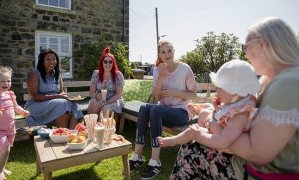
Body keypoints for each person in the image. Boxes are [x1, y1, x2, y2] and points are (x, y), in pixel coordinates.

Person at [170, 17, 299, 180]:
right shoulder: (272, 79)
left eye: (247, 45)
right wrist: (220, 109)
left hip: (257, 174)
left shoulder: (288, 83)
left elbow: (257, 153)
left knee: (190, 150)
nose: (245, 53)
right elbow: (246, 115)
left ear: (264, 44)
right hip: (252, 167)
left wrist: (212, 123)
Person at [129, 41, 197, 180]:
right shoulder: (156, 70)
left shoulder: (184, 69)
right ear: (159, 54)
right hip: (163, 109)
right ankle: (137, 155)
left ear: (174, 51)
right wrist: (160, 76)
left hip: (182, 112)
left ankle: (155, 162)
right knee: (144, 107)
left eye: (169, 51)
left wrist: (175, 92)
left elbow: (194, 94)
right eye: (163, 52)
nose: (167, 54)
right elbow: (156, 96)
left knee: (155, 110)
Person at [158, 59, 260, 151]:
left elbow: (223, 141)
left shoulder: (240, 115)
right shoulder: (237, 102)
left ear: (236, 91)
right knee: (194, 127)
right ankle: (172, 141)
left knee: (193, 131)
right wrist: (217, 108)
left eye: (219, 88)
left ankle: (177, 141)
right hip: (217, 131)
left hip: (221, 143)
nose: (217, 92)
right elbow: (222, 116)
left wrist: (200, 135)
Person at [25, 49, 83, 129]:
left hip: (55, 104)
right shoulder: (35, 74)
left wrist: (68, 98)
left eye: (54, 59)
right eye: (48, 59)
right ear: (42, 60)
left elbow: (61, 92)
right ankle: (62, 134)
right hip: (36, 106)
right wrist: (57, 96)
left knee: (73, 104)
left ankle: (71, 134)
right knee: (62, 103)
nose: (51, 62)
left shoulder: (57, 74)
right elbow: (35, 96)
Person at [0, 66, 29, 180]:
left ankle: (2, 166)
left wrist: (23, 111)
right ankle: (0, 171)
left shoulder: (10, 95)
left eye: (8, 80)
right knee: (5, 147)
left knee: (5, 150)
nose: (6, 83)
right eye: (2, 81)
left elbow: (16, 107)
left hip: (10, 129)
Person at [87, 47, 124, 117]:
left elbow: (118, 94)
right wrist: (96, 96)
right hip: (100, 99)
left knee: (105, 108)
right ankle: (91, 125)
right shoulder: (96, 74)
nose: (108, 64)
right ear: (102, 63)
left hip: (113, 101)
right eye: (105, 61)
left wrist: (106, 102)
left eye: (110, 62)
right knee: (92, 102)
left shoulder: (118, 75)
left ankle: (101, 127)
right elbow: (91, 92)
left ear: (113, 63)